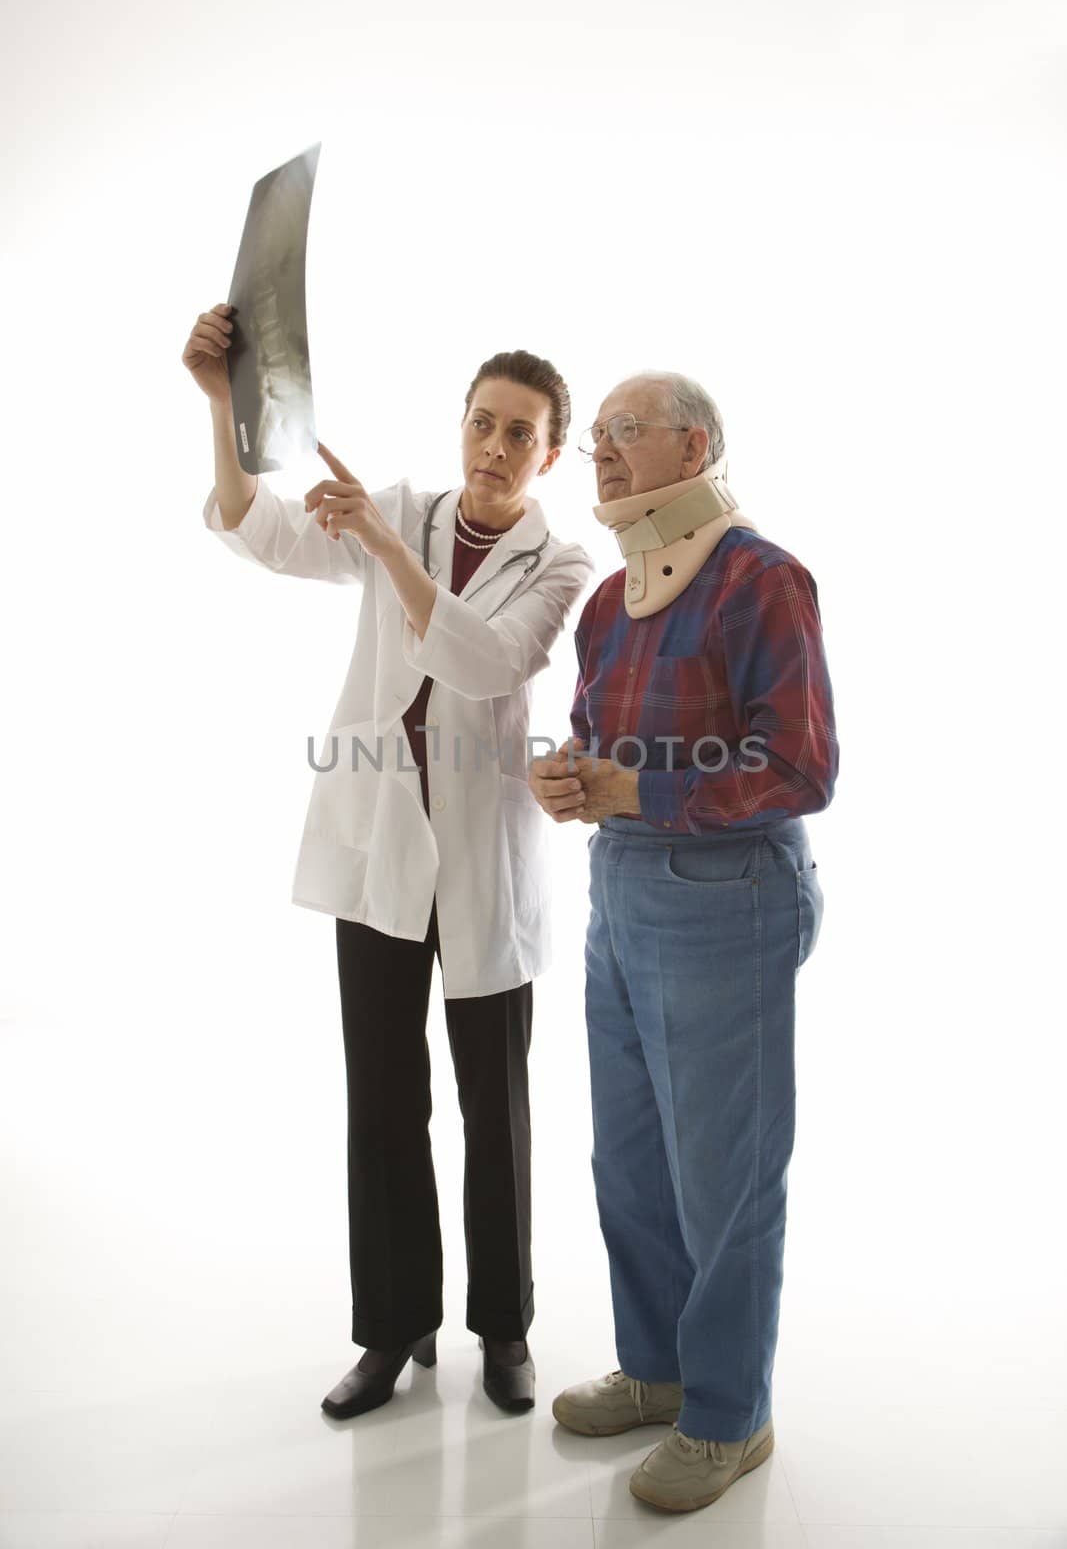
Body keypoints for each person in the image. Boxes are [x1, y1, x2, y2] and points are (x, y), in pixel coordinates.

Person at [183, 302, 594, 1419]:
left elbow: (480, 661)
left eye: (520, 433)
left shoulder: (561, 561)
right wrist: (221, 404)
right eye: (482, 423)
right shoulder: (399, 509)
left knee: (493, 1108)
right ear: (459, 425)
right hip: (377, 856)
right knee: (381, 1100)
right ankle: (393, 1326)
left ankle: (501, 1329)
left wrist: (376, 546)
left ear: (549, 453)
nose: (495, 448)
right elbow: (257, 529)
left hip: (480, 871)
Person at [528, 371, 839, 1512]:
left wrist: (638, 789)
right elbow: (593, 738)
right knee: (632, 1162)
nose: (595, 453)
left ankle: (726, 1416)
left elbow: (801, 767)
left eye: (619, 432)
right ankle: (657, 1369)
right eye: (593, 438)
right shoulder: (610, 602)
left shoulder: (762, 579)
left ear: (691, 444)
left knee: (724, 1179)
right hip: (621, 893)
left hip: (726, 901)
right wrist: (565, 778)